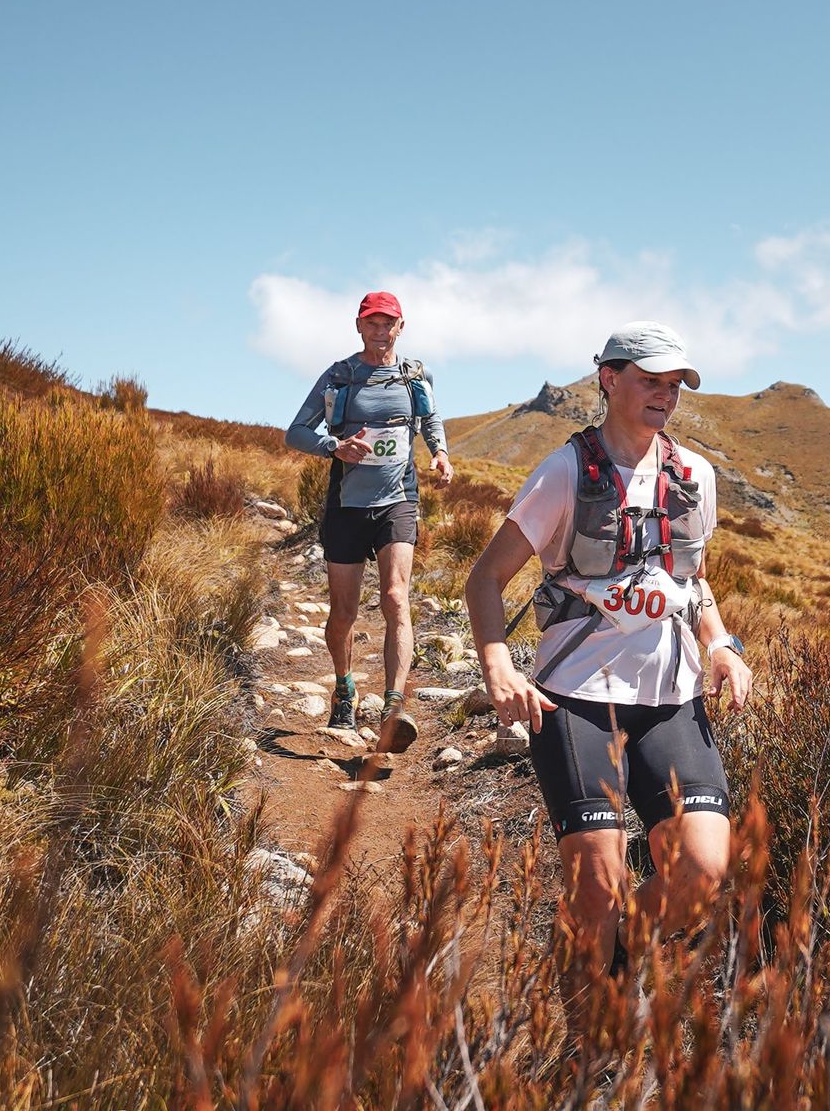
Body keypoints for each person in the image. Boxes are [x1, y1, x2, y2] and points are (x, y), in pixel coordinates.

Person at [465, 320, 752, 976]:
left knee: (703, 872)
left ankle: (612, 952)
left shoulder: (694, 476)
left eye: (675, 383)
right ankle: (592, 1048)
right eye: (650, 380)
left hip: (671, 701)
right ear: (609, 378)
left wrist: (721, 646)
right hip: (576, 703)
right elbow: (485, 577)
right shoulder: (564, 472)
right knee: (596, 887)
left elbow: (690, 582)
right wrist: (499, 665)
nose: (665, 394)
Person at [285, 290, 452, 751]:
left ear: (402, 327)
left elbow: (430, 419)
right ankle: (344, 688)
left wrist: (439, 453)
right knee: (344, 612)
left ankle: (394, 707)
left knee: (397, 596)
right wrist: (333, 447)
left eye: (388, 324)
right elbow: (295, 432)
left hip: (398, 499)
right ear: (359, 327)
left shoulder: (415, 375)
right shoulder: (340, 376)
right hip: (347, 505)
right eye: (372, 323)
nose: (380, 332)